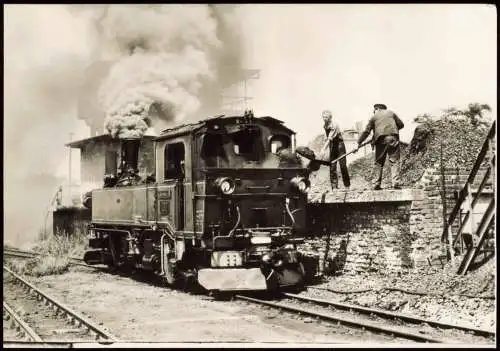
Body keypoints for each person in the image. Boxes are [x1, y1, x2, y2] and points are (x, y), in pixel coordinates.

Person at [357, 103, 404, 190]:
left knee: (379, 162)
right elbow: (401, 125)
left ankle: (376, 184)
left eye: (374, 110)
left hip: (380, 140)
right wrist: (391, 130)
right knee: (394, 161)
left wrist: (359, 142)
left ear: (377, 109)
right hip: (393, 138)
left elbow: (366, 131)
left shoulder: (374, 117)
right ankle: (396, 183)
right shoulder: (391, 113)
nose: (373, 112)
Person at [319, 110, 350, 190]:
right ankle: (334, 187)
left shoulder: (334, 125)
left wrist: (323, 149)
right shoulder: (325, 125)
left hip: (340, 146)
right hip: (332, 146)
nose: (324, 119)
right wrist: (324, 149)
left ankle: (347, 185)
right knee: (332, 166)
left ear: (330, 118)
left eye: (326, 117)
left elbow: (329, 138)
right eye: (323, 117)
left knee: (343, 166)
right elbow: (326, 138)